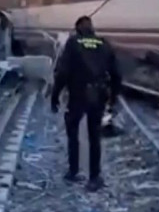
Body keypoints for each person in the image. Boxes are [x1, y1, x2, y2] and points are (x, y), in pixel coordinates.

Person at [50, 16, 123, 192]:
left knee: (73, 132)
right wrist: (114, 98)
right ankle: (94, 177)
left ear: (77, 30)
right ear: (92, 29)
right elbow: (117, 74)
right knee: (94, 136)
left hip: (77, 94)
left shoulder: (73, 43)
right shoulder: (104, 44)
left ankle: (73, 171)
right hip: (98, 95)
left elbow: (63, 72)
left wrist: (55, 95)